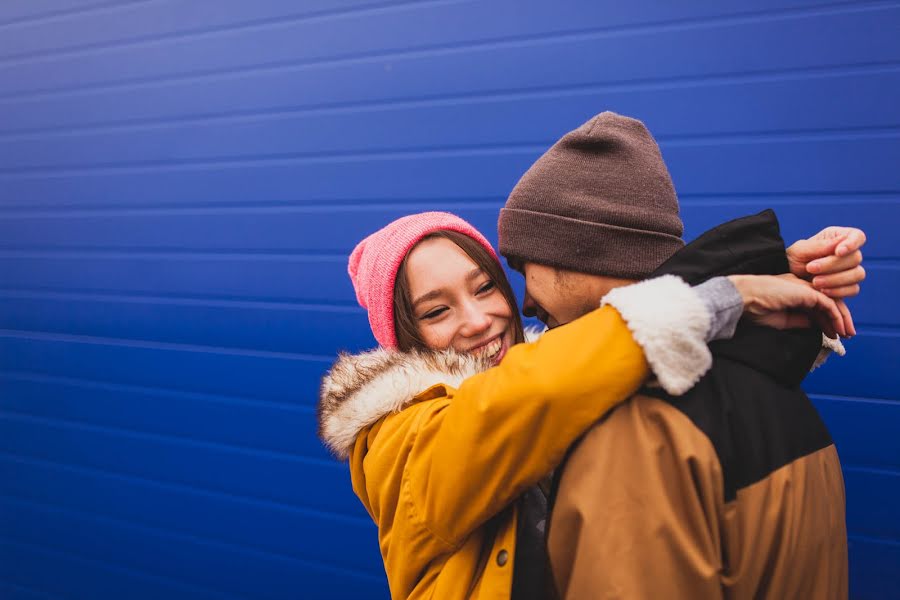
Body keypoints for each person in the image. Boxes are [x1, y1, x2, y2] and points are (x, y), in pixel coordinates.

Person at [317, 209, 861, 599]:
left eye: (484, 287)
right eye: (437, 312)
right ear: (404, 336)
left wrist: (781, 271)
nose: (479, 319)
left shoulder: (552, 364)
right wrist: (723, 297)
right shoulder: (395, 441)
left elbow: (579, 354)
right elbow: (533, 390)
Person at [495, 111, 859, 598]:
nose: (526, 303)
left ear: (586, 257)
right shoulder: (768, 371)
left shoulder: (636, 422)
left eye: (524, 265)